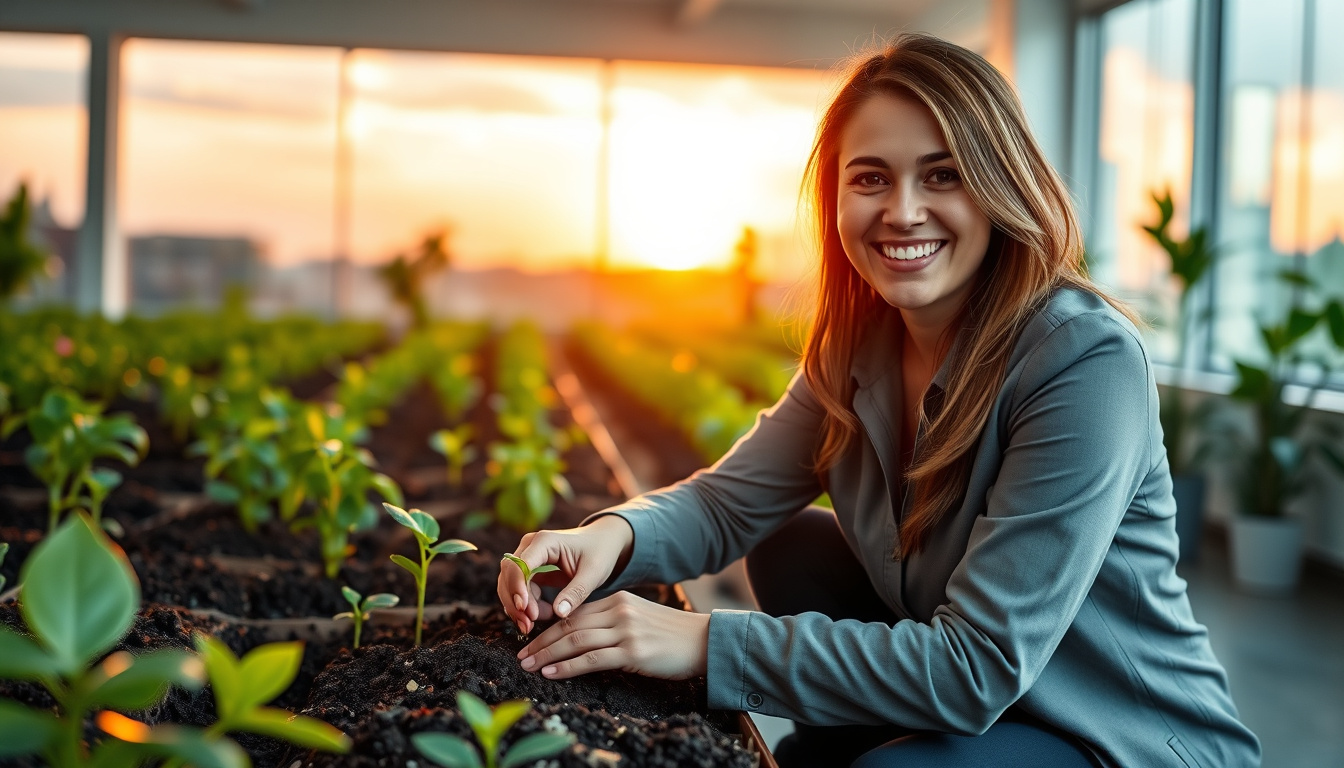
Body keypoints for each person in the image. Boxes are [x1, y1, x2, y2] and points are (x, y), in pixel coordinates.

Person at [496, 33, 1260, 768]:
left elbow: (978, 666)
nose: (901, 211)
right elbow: (729, 505)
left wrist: (699, 643)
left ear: (1000, 186)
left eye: (942, 174)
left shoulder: (1082, 361)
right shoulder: (859, 345)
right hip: (981, 705)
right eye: (870, 178)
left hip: (1111, 733)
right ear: (836, 200)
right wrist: (614, 538)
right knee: (792, 546)